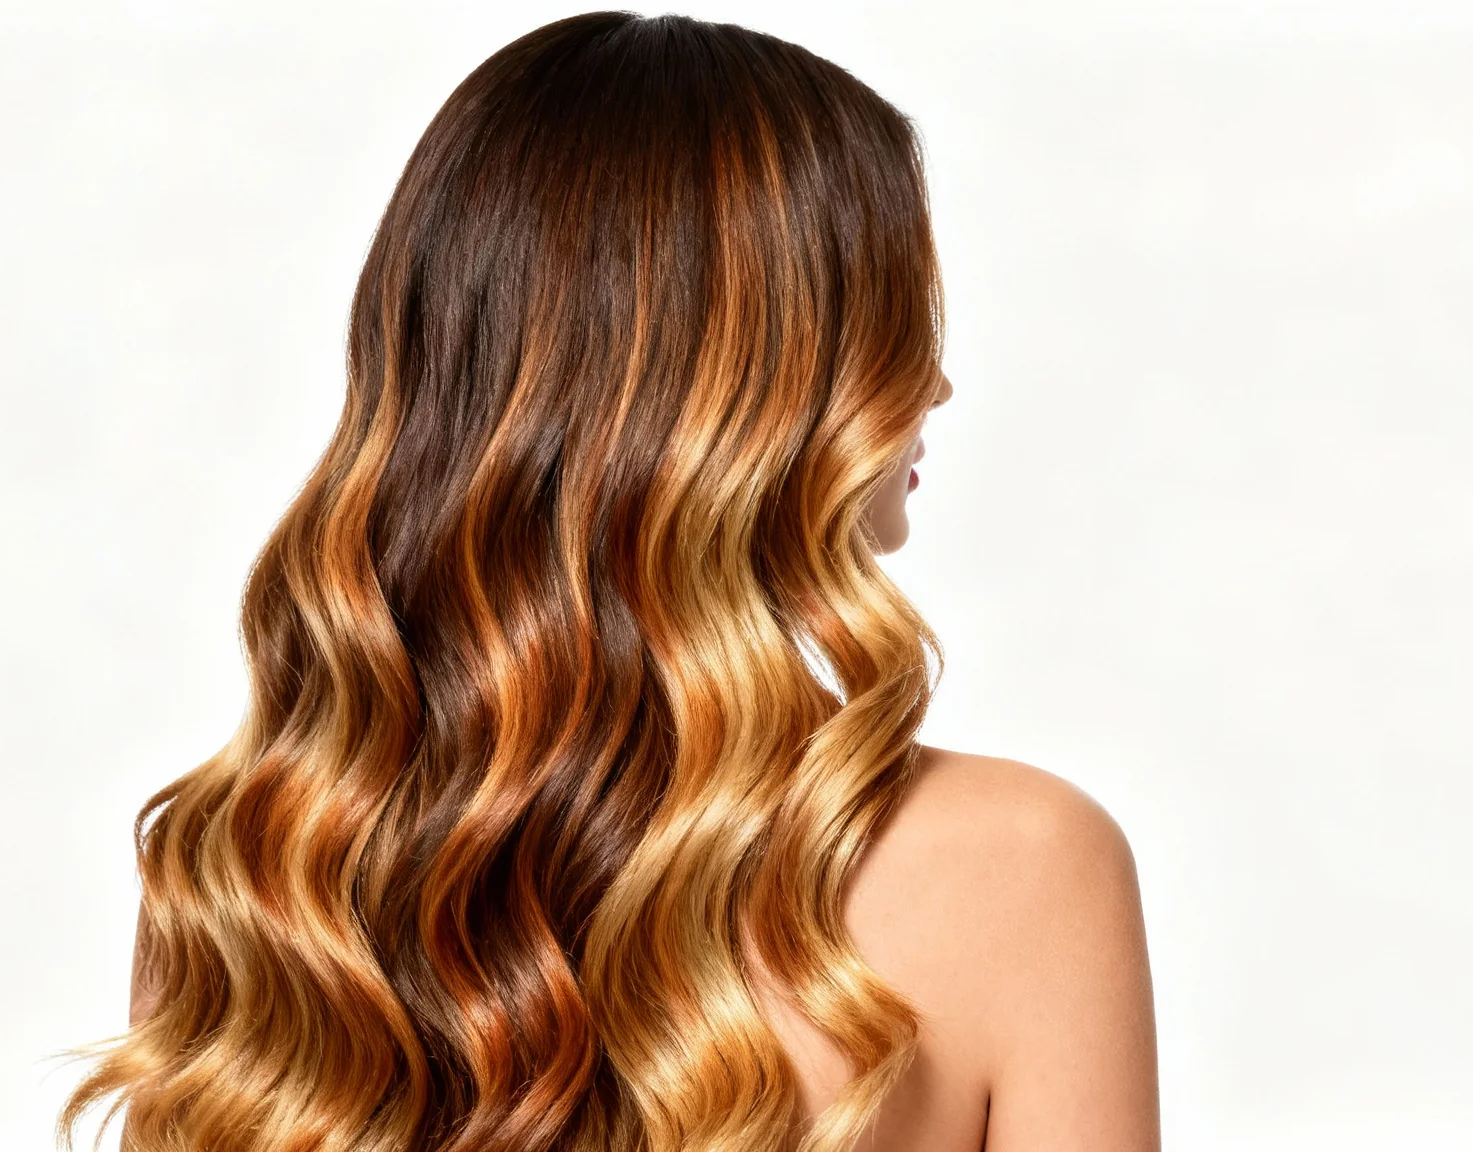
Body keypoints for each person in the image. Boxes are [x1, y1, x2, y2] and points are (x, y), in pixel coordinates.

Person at [57, 12, 1158, 1152]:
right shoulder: (1021, 866)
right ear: (758, 386)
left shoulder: (256, 870)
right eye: (888, 327)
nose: (933, 385)